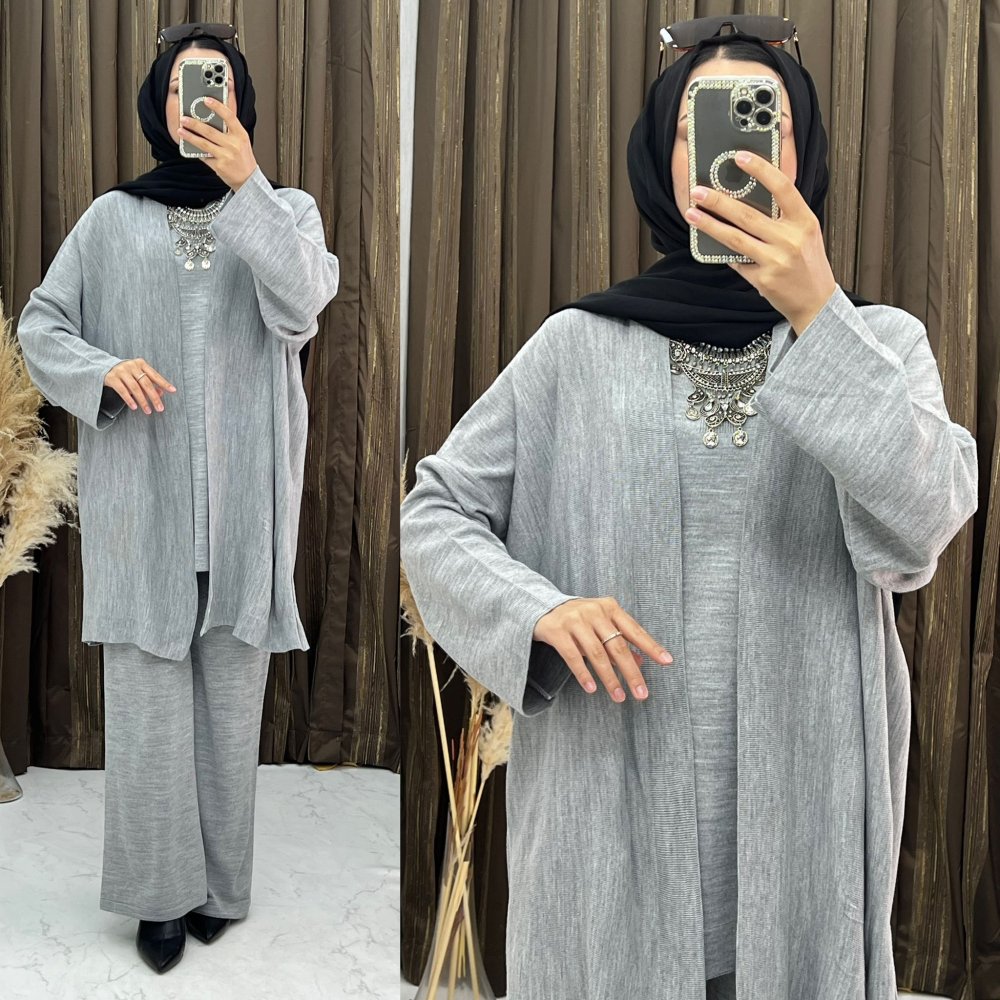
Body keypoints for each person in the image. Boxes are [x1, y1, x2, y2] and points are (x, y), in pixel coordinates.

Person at [399, 26, 978, 1000]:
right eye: (700, 128)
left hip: (803, 823)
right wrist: (536, 610)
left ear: (805, 153)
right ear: (661, 159)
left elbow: (919, 529)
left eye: (767, 123)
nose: (740, 153)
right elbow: (434, 512)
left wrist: (818, 312)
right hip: (609, 807)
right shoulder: (574, 346)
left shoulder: (880, 342)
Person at [16, 24, 339, 975]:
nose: (201, 101)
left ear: (241, 102)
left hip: (245, 507)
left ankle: (221, 889)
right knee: (151, 712)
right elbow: (42, 324)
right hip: (144, 505)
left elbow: (303, 307)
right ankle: (160, 898)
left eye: (219, 84)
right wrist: (102, 372)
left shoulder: (288, 210)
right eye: (185, 87)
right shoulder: (110, 219)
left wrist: (248, 185)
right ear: (159, 104)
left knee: (232, 707)